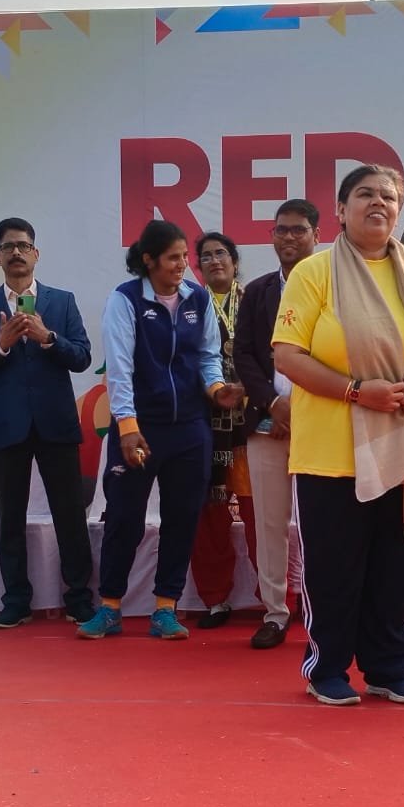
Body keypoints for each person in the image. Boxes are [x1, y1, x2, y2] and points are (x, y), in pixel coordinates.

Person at [272, 164, 404, 706]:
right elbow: (287, 355)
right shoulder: (315, 273)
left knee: (396, 569)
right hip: (331, 455)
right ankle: (327, 667)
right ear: (341, 209)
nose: (379, 203)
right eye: (365, 195)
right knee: (334, 570)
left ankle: (389, 667)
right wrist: (356, 391)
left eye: (389, 197)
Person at [76, 220, 246, 640]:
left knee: (182, 518)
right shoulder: (125, 300)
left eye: (185, 256)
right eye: (173, 258)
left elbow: (207, 356)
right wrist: (128, 427)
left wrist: (217, 389)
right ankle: (110, 606)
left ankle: (165, 608)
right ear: (149, 260)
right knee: (124, 518)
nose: (183, 264)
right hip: (140, 427)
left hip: (190, 429)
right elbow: (119, 368)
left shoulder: (197, 297)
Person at [0, 217, 96, 628]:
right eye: (8, 247)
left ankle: (79, 598)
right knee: (9, 520)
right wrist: (1, 345)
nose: (17, 253)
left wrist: (48, 337)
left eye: (23, 246)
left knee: (70, 516)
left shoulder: (62, 302)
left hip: (56, 422)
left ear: (36, 254)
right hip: (7, 425)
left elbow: (82, 357)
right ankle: (16, 600)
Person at [234, 199, 319, 649]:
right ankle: (275, 612)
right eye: (281, 230)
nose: (289, 237)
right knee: (269, 524)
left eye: (298, 230)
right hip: (266, 423)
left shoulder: (333, 287)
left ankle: (323, 610)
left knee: (321, 522)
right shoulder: (257, 291)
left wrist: (298, 408)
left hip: (321, 423)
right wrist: (272, 403)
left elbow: (336, 354)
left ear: (317, 235)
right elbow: (244, 354)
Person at [188, 231, 256, 629]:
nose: (215, 261)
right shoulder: (189, 306)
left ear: (234, 261)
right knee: (209, 518)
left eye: (221, 254)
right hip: (205, 426)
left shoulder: (256, 301)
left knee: (259, 518)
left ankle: (277, 601)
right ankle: (215, 599)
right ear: (198, 266)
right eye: (207, 256)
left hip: (251, 428)